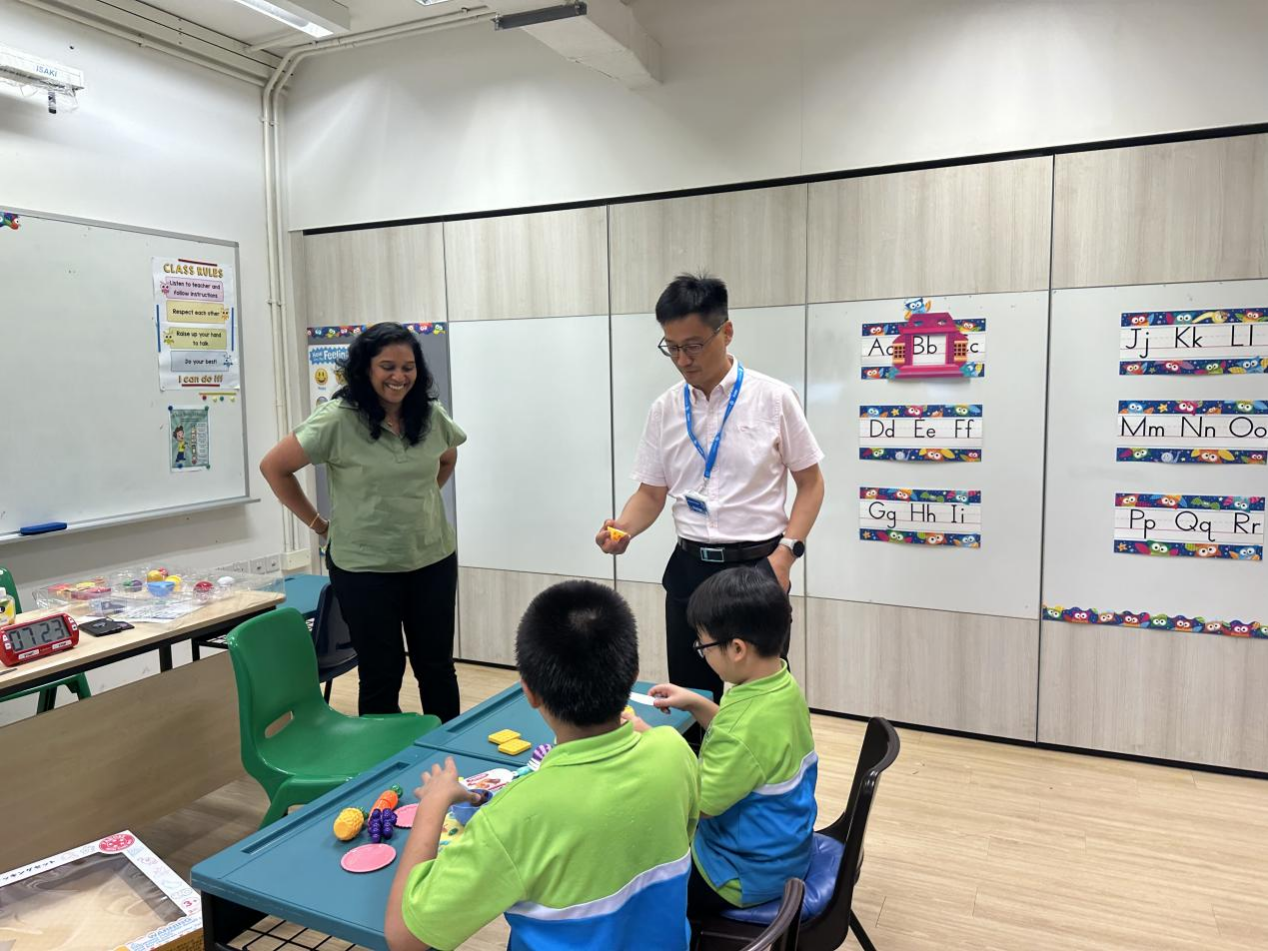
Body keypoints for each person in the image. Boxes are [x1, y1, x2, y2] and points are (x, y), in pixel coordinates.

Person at [384, 581, 700, 951]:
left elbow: (405, 938)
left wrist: (433, 803)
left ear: (529, 692)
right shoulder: (674, 750)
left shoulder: (514, 815)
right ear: (632, 677)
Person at [596, 273, 825, 703]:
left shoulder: (773, 398)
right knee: (689, 699)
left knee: (762, 702)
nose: (683, 360)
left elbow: (811, 484)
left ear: (727, 332)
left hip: (757, 567)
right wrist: (623, 527)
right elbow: (651, 493)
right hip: (689, 569)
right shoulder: (665, 408)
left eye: (694, 345)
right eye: (672, 347)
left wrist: (784, 556)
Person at [259, 322, 465, 721]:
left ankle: (447, 752)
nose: (399, 376)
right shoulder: (337, 419)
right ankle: (384, 760)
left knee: (437, 667)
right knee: (382, 672)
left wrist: (419, 499)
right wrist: (319, 525)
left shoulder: (430, 414)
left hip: (432, 559)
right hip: (364, 568)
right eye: (388, 366)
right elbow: (274, 467)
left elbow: (447, 457)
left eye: (408, 367)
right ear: (365, 368)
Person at [634, 567, 818, 914]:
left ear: (736, 648)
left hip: (739, 874)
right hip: (784, 850)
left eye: (703, 646)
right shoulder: (780, 685)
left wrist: (651, 737)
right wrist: (697, 703)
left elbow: (699, 805)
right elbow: (748, 746)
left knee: (639, 870)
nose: (702, 654)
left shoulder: (740, 728)